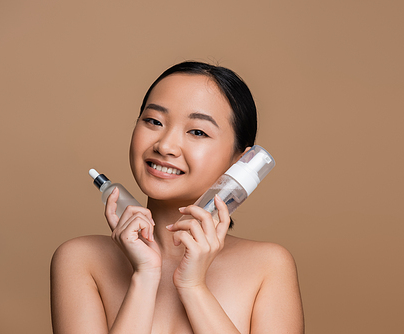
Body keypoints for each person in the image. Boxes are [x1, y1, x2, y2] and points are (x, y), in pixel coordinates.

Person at [51, 61, 304, 333]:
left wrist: (193, 287)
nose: (165, 145)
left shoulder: (268, 267)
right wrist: (144, 277)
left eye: (197, 131)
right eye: (153, 121)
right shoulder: (81, 260)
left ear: (241, 161)